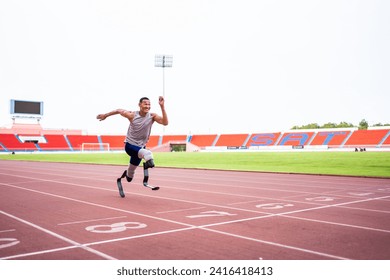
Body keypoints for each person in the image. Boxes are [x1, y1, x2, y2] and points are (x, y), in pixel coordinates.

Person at [96, 96, 168, 197]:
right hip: (130, 146)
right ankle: (148, 162)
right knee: (148, 154)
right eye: (145, 104)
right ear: (139, 105)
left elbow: (165, 123)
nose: (147, 106)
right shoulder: (132, 115)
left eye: (149, 104)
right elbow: (118, 110)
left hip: (140, 148)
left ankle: (127, 174)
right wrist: (105, 115)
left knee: (130, 177)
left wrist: (162, 107)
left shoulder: (152, 116)